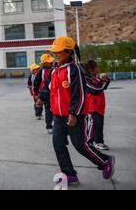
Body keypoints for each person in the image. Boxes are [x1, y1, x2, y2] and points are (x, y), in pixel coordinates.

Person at [36, 36, 115, 186]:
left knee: (81, 146)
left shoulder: (75, 69)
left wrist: (73, 113)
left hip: (75, 116)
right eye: (54, 52)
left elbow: (78, 94)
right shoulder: (54, 70)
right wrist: (41, 98)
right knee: (58, 144)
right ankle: (69, 174)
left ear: (68, 52)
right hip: (58, 117)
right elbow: (47, 87)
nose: (55, 55)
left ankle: (105, 161)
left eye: (58, 52)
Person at [84, 60, 111, 150]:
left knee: (99, 125)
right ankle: (89, 142)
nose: (98, 69)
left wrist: (105, 80)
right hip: (91, 107)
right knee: (93, 124)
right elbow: (95, 89)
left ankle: (99, 142)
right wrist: (103, 83)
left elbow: (103, 86)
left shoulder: (95, 78)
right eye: (96, 67)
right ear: (91, 70)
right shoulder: (86, 80)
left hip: (99, 107)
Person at [33, 54, 55, 134]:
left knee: (56, 110)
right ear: (44, 63)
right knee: (48, 111)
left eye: (51, 61)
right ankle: (49, 126)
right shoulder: (41, 71)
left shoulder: (55, 69)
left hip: (56, 94)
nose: (51, 63)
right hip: (46, 95)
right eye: (49, 62)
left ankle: (57, 125)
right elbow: (36, 83)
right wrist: (36, 94)